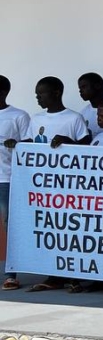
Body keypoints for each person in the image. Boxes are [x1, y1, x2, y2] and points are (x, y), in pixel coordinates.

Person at [13, 77, 90, 293]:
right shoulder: (36, 119)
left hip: (68, 185)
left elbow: (86, 145)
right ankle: (54, 274)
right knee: (50, 229)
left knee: (70, 229)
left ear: (56, 93)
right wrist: (17, 146)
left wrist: (68, 142)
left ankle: (73, 275)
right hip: (44, 186)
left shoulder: (74, 118)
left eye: (42, 93)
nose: (38, 97)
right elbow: (30, 144)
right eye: (37, 93)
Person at [0, 75, 31, 291]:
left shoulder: (18, 116)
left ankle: (11, 274)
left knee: (10, 225)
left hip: (7, 178)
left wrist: (16, 145)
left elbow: (28, 147)